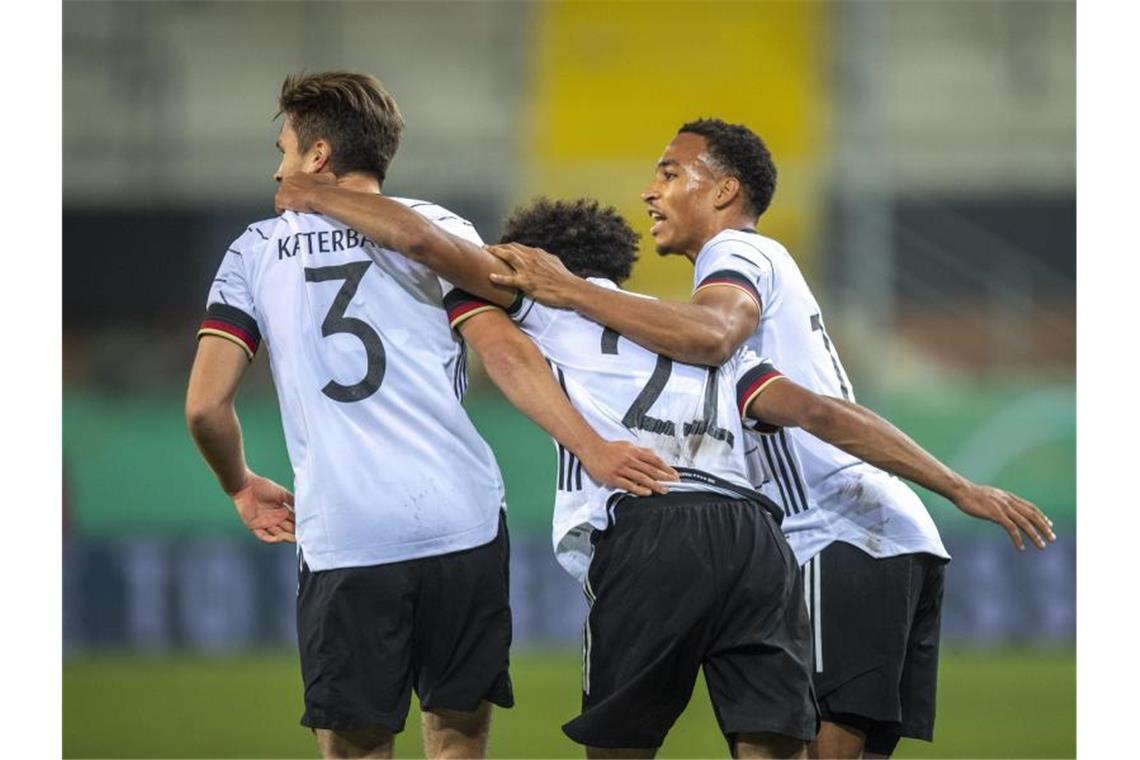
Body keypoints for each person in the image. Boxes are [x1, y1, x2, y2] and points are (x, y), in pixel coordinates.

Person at [482, 121, 1056, 759]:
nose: (650, 192)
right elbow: (821, 410)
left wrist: (568, 289)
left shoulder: (739, 254)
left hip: (834, 530)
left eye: (670, 174)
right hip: (875, 533)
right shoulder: (743, 315)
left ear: (725, 191)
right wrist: (955, 488)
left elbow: (718, 334)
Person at [185, 71, 674, 760]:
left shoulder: (255, 252)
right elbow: (505, 355)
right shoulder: (441, 230)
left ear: (318, 157)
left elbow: (205, 406)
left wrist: (238, 483)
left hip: (347, 532)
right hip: (461, 522)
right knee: (456, 736)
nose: (278, 167)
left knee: (355, 746)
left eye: (285, 149)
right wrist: (590, 446)